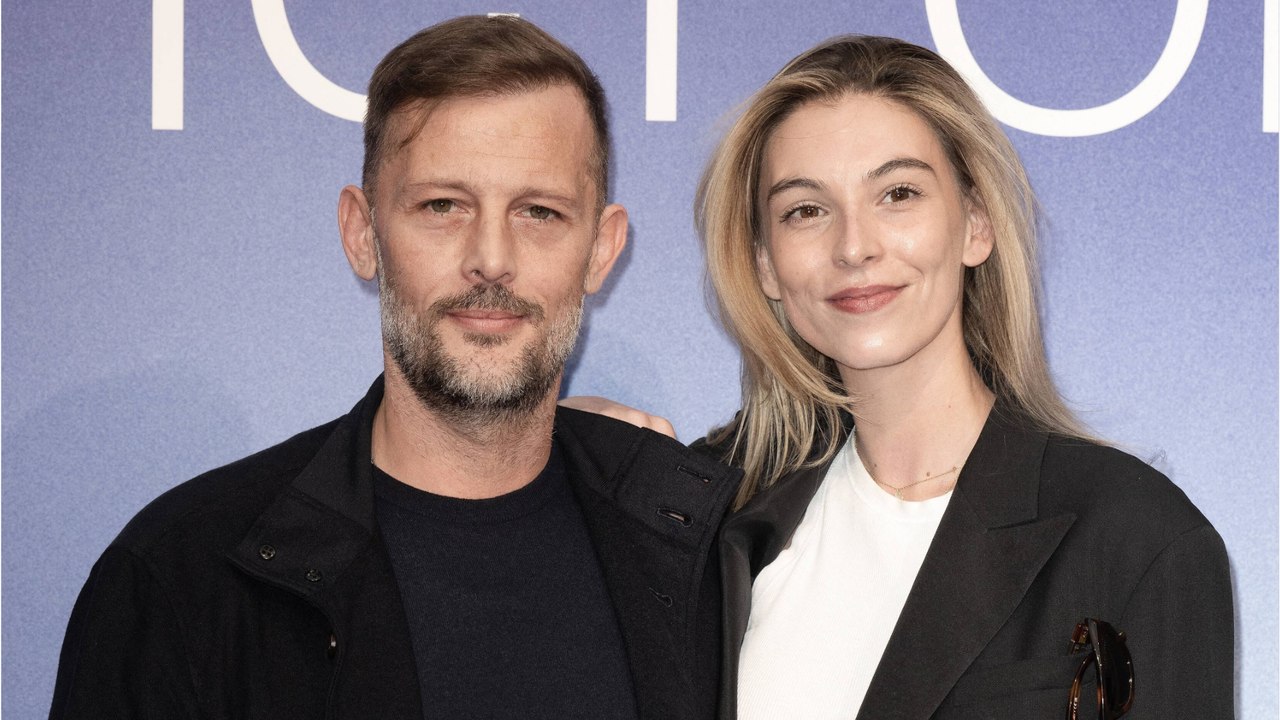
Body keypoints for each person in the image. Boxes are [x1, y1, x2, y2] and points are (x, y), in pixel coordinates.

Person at [48, 16, 737, 720]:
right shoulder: (181, 580)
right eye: (443, 206)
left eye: (538, 212)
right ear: (362, 233)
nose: (491, 258)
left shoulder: (712, 557)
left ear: (601, 249)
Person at [573, 34, 1234, 719]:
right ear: (766, 262)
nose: (854, 246)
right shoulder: (707, 520)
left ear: (975, 224)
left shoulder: (1135, 535)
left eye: (898, 193)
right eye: (806, 210)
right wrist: (564, 457)